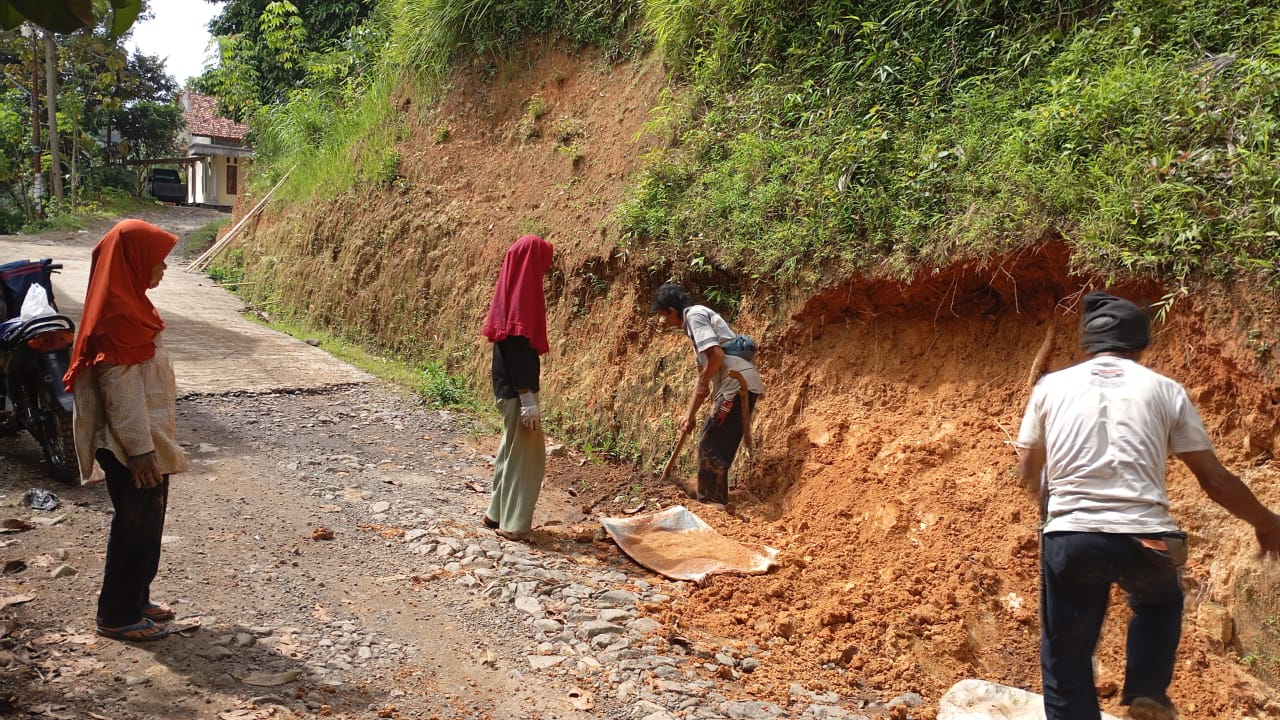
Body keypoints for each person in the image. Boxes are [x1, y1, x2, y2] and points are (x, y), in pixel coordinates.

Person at [1015, 291, 1280, 720]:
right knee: (1158, 600)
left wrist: (1052, 508)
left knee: (1065, 658)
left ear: (1088, 342)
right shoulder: (1165, 390)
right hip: (1147, 536)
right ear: (1140, 344)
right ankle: (1147, 691)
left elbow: (1028, 467)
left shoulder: (1051, 387)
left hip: (1071, 538)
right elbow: (1214, 479)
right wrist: (1266, 522)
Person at [64, 219, 188, 642]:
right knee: (135, 522)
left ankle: (137, 598)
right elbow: (121, 394)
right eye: (158, 261)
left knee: (148, 520)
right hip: (128, 444)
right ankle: (117, 614)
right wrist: (140, 451)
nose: (164, 269)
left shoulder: (131, 304)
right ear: (133, 262)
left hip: (143, 439)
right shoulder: (118, 316)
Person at [652, 282, 764, 505]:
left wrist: (704, 380)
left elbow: (717, 356)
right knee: (714, 441)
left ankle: (712, 503)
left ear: (672, 311)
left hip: (736, 384)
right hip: (732, 386)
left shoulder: (694, 315)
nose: (664, 322)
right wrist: (689, 415)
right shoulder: (694, 334)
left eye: (664, 316)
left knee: (711, 445)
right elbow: (702, 382)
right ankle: (715, 499)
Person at [480, 234, 554, 540]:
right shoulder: (523, 298)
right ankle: (514, 524)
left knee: (512, 448)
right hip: (517, 390)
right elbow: (518, 345)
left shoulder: (509, 294)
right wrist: (527, 398)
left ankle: (496, 513)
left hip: (505, 386)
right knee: (528, 457)